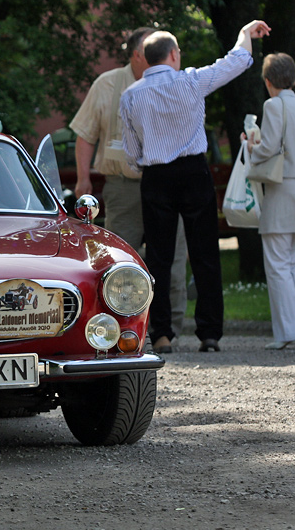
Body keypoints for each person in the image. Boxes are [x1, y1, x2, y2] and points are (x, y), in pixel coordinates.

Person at [120, 19, 272, 352]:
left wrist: (143, 166)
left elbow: (130, 150)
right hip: (192, 172)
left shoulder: (130, 95)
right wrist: (244, 34)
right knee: (205, 254)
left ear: (146, 58)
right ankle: (210, 333)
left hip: (156, 176)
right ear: (174, 54)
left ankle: (161, 333)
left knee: (158, 258)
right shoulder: (191, 81)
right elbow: (235, 62)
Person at [70, 27, 188, 353]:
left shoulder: (176, 84)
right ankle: (116, 331)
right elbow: (85, 135)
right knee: (118, 263)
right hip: (124, 188)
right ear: (137, 55)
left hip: (167, 186)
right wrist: (83, 179)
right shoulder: (107, 84)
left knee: (173, 261)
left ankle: (169, 332)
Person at [243, 53, 295, 350]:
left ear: (268, 81)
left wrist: (251, 146)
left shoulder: (273, 105)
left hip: (283, 188)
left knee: (277, 263)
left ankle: (289, 333)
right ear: (294, 79)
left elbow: (268, 149)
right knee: (291, 261)